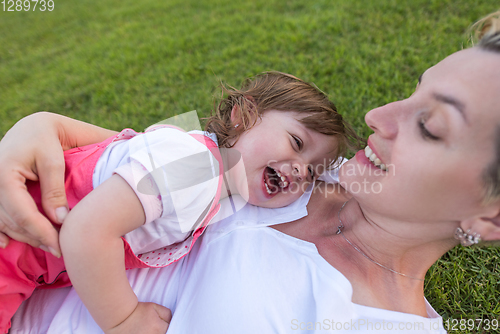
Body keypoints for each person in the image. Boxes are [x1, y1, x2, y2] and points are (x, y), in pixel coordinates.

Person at [4, 10, 500, 334]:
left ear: (491, 219)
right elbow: (130, 154)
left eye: (431, 127)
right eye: (414, 90)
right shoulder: (303, 170)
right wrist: (38, 129)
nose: (378, 116)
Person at [0, 72, 360, 334]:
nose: (300, 170)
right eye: (296, 143)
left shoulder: (190, 150)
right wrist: (125, 318)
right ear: (242, 115)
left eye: (312, 172)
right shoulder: (196, 172)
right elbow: (85, 232)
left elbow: (111, 146)